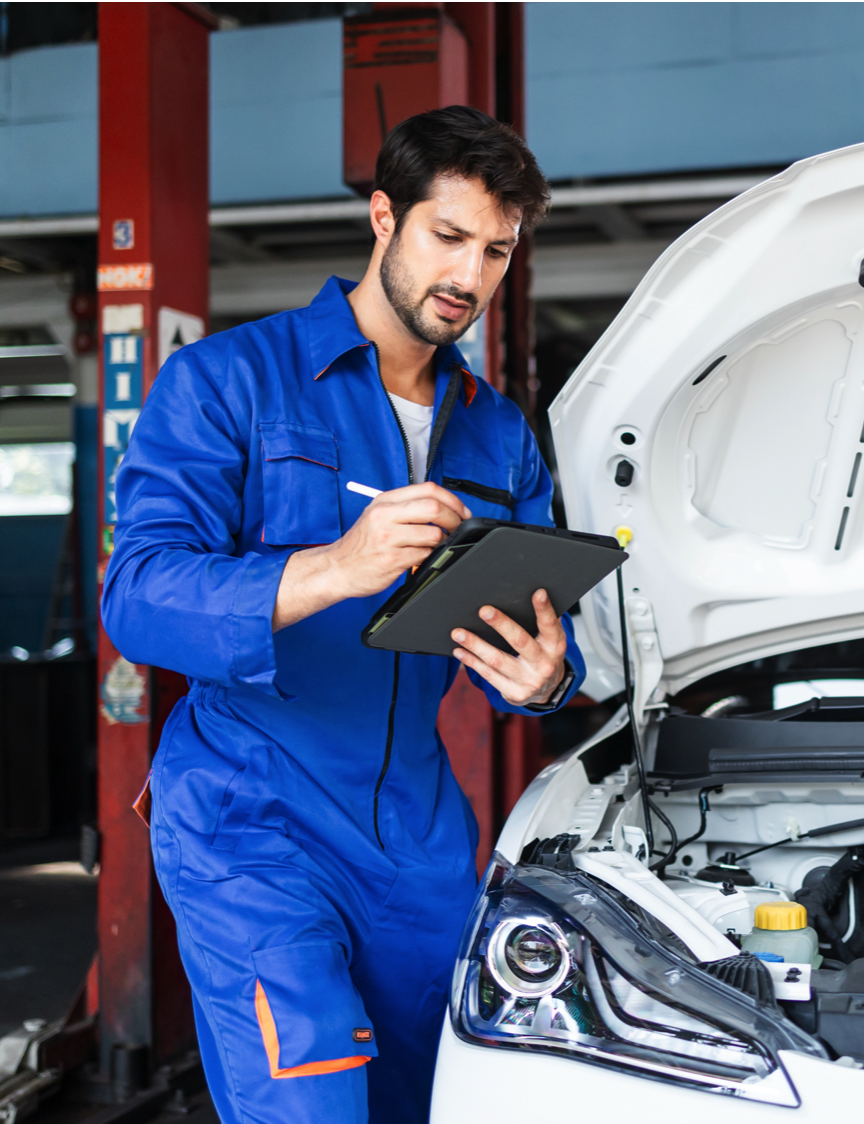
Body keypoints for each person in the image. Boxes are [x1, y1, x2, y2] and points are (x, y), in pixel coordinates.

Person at [101, 106, 581, 1124]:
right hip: (250, 814)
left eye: (495, 250)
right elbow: (137, 595)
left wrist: (549, 676)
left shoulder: (498, 435)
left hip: (418, 835)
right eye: (448, 237)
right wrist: (332, 565)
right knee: (311, 1100)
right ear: (383, 217)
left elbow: (546, 624)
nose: (471, 275)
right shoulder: (227, 381)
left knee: (438, 1096)